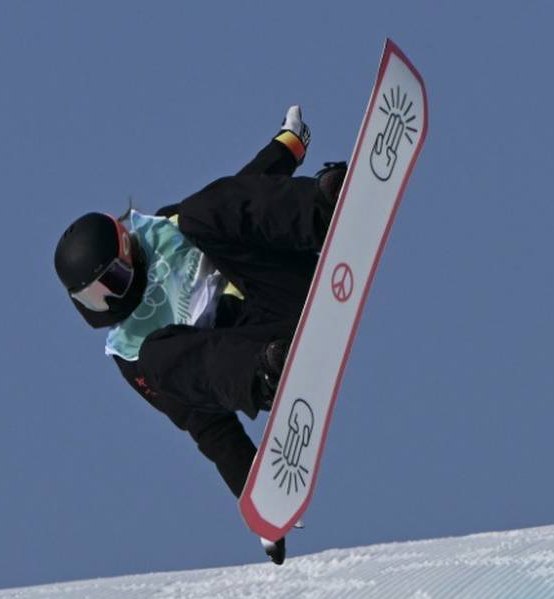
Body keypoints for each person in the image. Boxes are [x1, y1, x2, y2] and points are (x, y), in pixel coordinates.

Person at [53, 106, 346, 565]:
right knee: (157, 358)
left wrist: (288, 146)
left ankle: (325, 209)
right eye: (98, 295)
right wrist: (260, 497)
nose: (115, 293)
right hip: (263, 354)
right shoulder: (132, 352)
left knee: (200, 212)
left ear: (127, 245)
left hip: (282, 287)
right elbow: (208, 426)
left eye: (116, 274)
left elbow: (245, 192)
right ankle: (269, 370)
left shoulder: (168, 228)